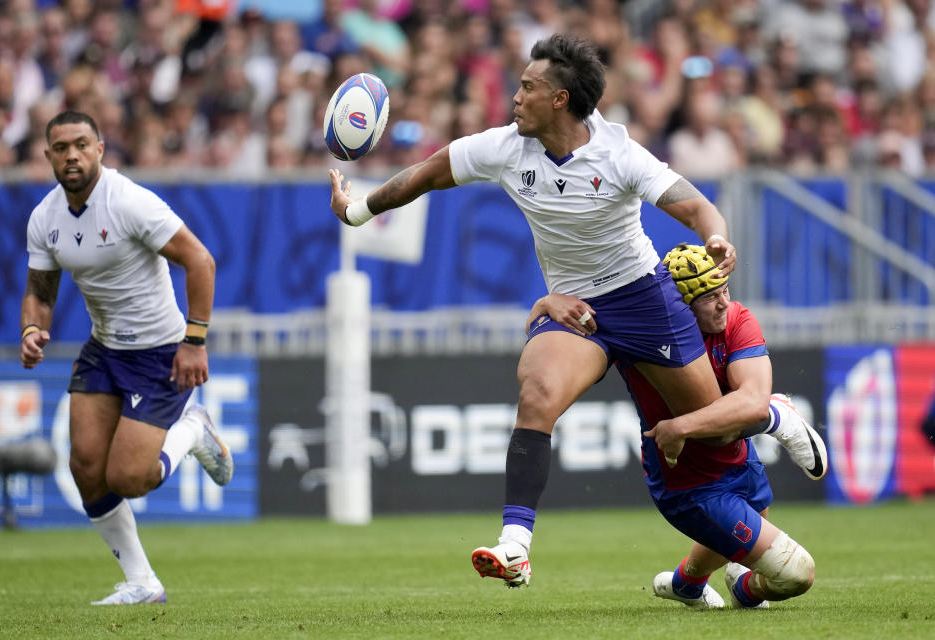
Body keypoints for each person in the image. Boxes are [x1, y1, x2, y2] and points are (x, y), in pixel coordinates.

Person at [329, 34, 737, 588]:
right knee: (537, 395)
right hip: (573, 308)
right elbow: (423, 175)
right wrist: (355, 211)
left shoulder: (618, 153)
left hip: (644, 297)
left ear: (560, 100)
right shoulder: (504, 147)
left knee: (714, 430)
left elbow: (695, 205)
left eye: (527, 87)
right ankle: (515, 545)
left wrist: (716, 238)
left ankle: (773, 418)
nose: (515, 97)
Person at [528, 243, 823, 608]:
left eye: (724, 290)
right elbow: (559, 322)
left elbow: (749, 401)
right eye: (709, 297)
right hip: (689, 487)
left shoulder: (738, 319)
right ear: (679, 306)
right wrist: (545, 303)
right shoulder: (642, 335)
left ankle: (686, 586)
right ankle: (746, 589)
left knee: (745, 427)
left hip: (740, 460)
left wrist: (681, 426)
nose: (722, 303)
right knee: (797, 573)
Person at [20, 110, 234, 605]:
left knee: (131, 478)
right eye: (60, 148)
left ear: (99, 149)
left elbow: (199, 259)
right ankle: (142, 582)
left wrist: (194, 341)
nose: (71, 155)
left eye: (80, 145)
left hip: (158, 351)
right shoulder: (45, 218)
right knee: (85, 467)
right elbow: (39, 290)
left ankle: (193, 430)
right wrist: (32, 327)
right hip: (104, 348)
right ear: (48, 155)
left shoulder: (129, 202)